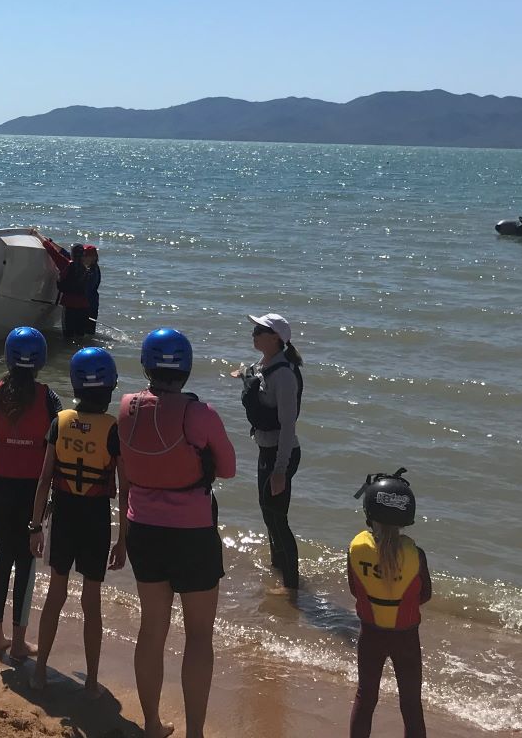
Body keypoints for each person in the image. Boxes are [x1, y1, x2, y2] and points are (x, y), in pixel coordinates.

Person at [118, 327, 237, 738]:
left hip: (143, 530)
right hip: (192, 533)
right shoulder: (200, 414)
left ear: (147, 365)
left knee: (152, 629)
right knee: (200, 637)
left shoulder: (126, 407)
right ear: (185, 368)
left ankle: (151, 724)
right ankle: (195, 733)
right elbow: (228, 468)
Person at [28, 346, 120, 695]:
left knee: (56, 593)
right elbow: (125, 489)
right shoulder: (114, 429)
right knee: (91, 601)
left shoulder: (61, 421)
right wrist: (123, 539)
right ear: (110, 386)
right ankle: (93, 683)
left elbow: (43, 479)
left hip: (63, 515)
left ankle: (39, 672)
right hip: (95, 520)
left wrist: (35, 526)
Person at [0, 326, 61, 660]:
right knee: (26, 561)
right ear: (41, 361)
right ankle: (20, 642)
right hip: (33, 493)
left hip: (1, 490)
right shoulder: (50, 399)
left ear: (8, 357)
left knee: (2, 558)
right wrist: (54, 500)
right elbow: (60, 454)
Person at [348, 469, 430, 738]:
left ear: (369, 514)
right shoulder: (415, 555)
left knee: (366, 697)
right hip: (405, 637)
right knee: (410, 704)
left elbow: (353, 589)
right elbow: (424, 595)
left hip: (370, 634)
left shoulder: (357, 548)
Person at [232, 312, 305, 591]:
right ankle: (278, 571)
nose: (253, 333)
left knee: (277, 519)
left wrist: (280, 470)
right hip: (266, 450)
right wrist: (241, 375)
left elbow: (288, 425)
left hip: (281, 453)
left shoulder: (285, 375)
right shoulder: (266, 363)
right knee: (267, 512)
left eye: (259, 330)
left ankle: (292, 589)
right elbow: (254, 377)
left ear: (275, 338)